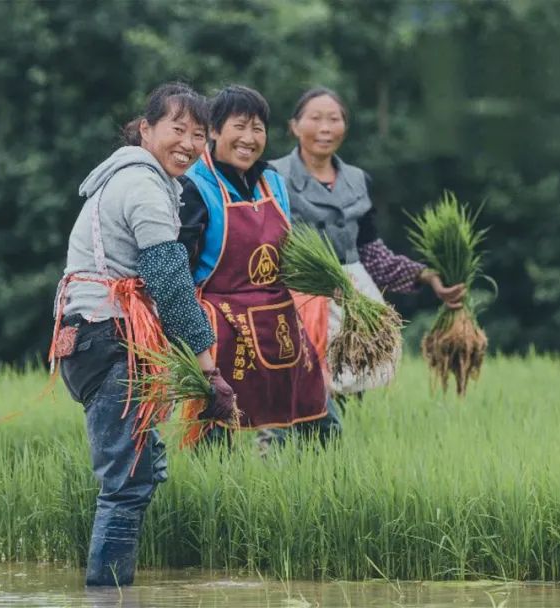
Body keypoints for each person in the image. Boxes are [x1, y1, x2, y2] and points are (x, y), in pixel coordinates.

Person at [50, 82, 237, 587]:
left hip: (90, 338)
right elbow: (170, 279)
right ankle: (107, 597)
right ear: (145, 129)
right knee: (126, 483)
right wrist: (208, 369)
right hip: (107, 338)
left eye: (199, 135)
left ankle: (112, 592)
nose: (190, 144)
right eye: (178, 129)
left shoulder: (132, 179)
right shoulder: (142, 184)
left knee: (142, 466)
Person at [270, 87, 465, 395]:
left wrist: (426, 276)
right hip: (299, 293)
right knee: (303, 374)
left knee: (370, 353)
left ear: (345, 127)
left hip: (352, 284)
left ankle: (334, 433)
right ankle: (289, 433)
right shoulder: (272, 177)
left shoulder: (357, 180)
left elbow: (371, 252)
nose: (325, 128)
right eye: (315, 118)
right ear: (294, 126)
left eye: (334, 119)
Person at [177, 85, 334, 446]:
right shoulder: (194, 186)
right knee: (217, 431)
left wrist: (327, 282)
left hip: (279, 321)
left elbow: (289, 256)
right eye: (240, 126)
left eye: (258, 128)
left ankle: (317, 490)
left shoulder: (273, 183)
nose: (249, 138)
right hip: (223, 327)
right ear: (214, 131)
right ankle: (212, 498)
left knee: (321, 422)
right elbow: (180, 268)